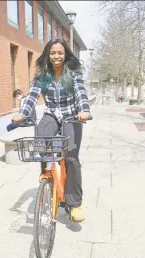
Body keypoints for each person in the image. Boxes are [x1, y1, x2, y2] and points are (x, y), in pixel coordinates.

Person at [12, 38, 91, 222]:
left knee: (71, 157)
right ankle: (47, 176)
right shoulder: (43, 75)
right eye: (53, 53)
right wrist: (22, 113)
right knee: (41, 138)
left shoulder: (73, 73)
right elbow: (32, 96)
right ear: (48, 55)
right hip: (52, 114)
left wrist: (84, 110)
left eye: (60, 53)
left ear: (65, 55)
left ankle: (75, 203)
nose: (56, 56)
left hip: (72, 115)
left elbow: (81, 93)